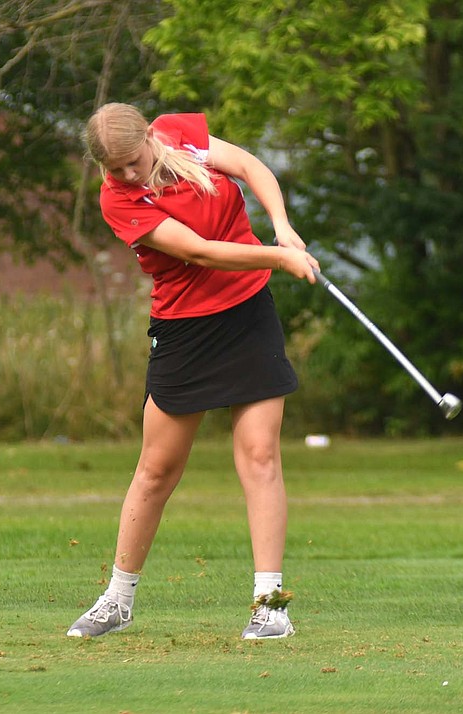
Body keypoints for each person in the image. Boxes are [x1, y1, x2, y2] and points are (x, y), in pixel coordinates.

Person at [66, 103, 319, 640]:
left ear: (149, 139)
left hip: (248, 315)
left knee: (260, 455)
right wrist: (278, 258)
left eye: (134, 162)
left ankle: (270, 605)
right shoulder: (118, 200)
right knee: (157, 470)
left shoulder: (182, 134)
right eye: (117, 170)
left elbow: (252, 167)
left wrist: (283, 228)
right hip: (185, 330)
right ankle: (118, 599)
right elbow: (201, 253)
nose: (129, 175)